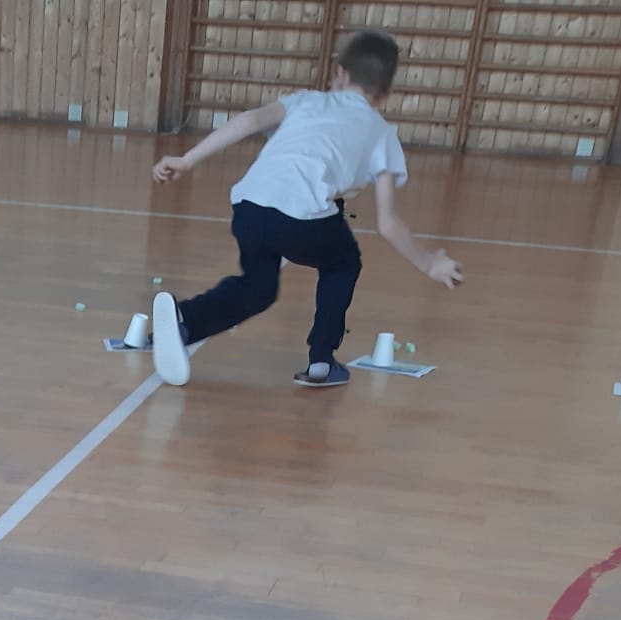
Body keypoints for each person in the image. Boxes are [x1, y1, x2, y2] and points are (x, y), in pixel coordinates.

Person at [147, 29, 463, 390]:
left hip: (248, 207)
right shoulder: (382, 133)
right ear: (385, 95)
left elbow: (250, 121)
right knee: (343, 262)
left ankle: (184, 320)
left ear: (340, 73)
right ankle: (322, 361)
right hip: (301, 219)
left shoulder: (306, 101)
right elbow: (388, 224)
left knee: (259, 288)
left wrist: (187, 160)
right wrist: (429, 263)